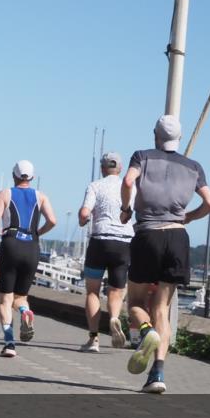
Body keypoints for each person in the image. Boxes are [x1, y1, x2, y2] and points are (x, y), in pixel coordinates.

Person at [120, 115, 210, 393]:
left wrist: (126, 210)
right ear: (180, 138)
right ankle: (157, 375)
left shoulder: (142, 156)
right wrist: (190, 217)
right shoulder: (194, 166)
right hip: (177, 237)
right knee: (162, 307)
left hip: (148, 234)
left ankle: (146, 332)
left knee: (136, 302)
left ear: (155, 135)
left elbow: (127, 182)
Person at [0, 160, 57, 357]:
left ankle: (9, 343)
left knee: (5, 298)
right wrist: (38, 232)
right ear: (32, 177)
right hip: (32, 246)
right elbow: (53, 220)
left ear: (14, 175)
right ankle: (25, 311)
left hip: (11, 243)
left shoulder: (5, 194)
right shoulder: (41, 196)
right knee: (20, 297)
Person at [77, 151, 135, 352]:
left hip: (100, 241)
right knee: (116, 290)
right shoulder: (131, 188)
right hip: (123, 243)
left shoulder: (95, 186)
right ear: (120, 169)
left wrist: (83, 219)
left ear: (103, 168)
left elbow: (85, 213)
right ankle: (114, 318)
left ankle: (93, 339)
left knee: (93, 291)